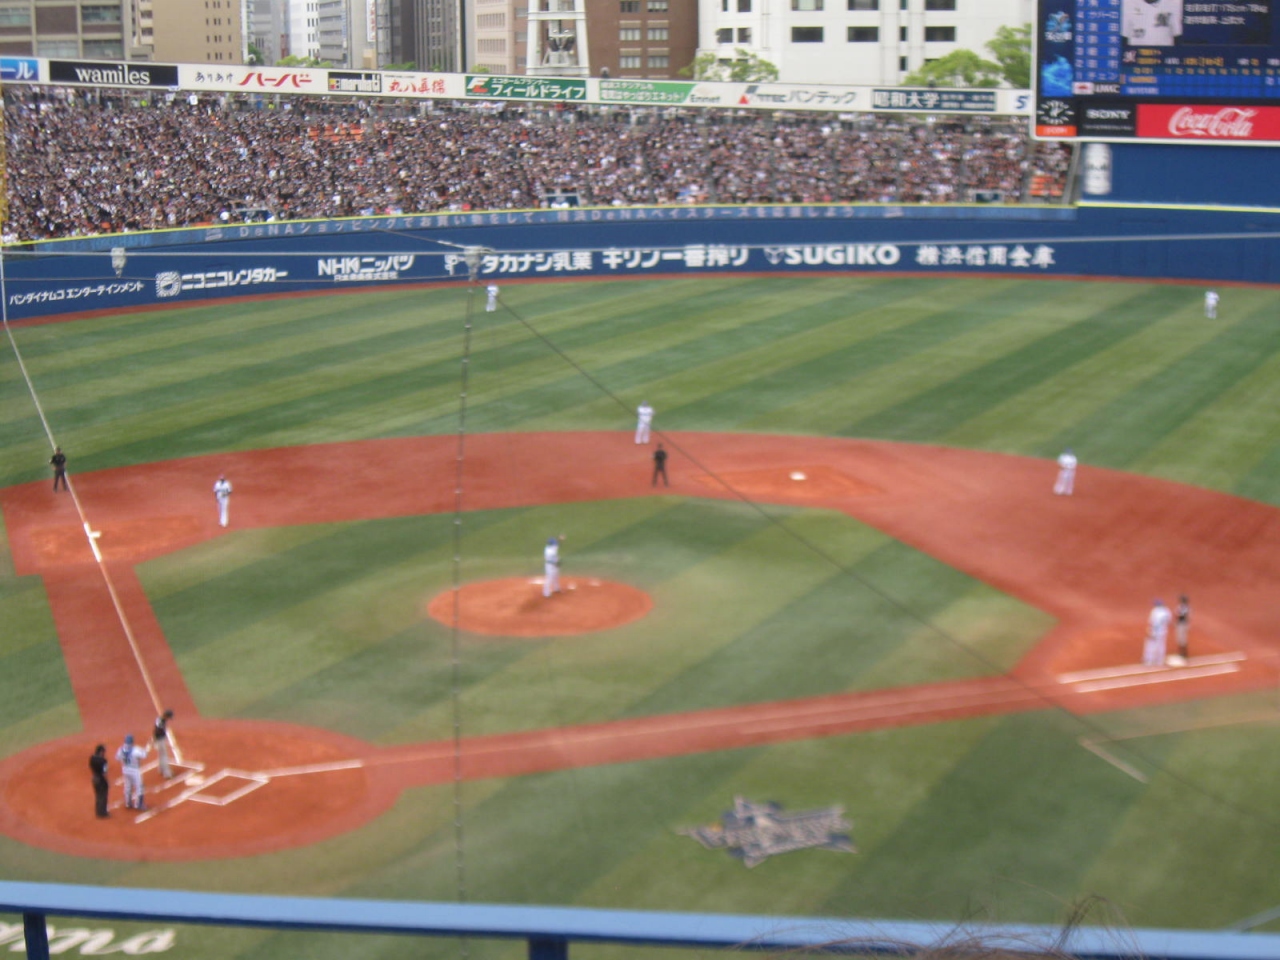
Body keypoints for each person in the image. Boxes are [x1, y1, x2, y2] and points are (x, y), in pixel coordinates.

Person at [116, 733, 149, 811]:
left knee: (127, 786)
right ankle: (138, 804)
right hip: (134, 770)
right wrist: (145, 750)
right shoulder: (136, 750)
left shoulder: (121, 749)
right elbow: (144, 755)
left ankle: (128, 803)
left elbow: (117, 758)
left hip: (125, 769)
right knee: (139, 787)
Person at [1143, 598, 1172, 666]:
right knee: (1161, 646)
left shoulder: (1155, 611)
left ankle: (1149, 661)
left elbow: (1154, 623)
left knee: (1151, 646)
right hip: (1163, 631)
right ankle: (1160, 661)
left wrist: (1152, 632)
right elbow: (1169, 622)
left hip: (1155, 631)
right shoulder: (1167, 611)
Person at [153, 709, 175, 779]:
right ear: (166, 715)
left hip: (159, 739)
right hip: (160, 740)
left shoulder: (160, 719)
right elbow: (157, 731)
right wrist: (157, 740)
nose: (169, 719)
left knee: (161, 755)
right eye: (169, 717)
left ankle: (161, 769)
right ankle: (167, 774)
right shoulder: (161, 722)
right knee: (164, 756)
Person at [89, 744, 109, 818]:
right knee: (103, 796)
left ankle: (98, 811)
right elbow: (104, 773)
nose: (104, 753)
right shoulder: (103, 761)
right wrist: (107, 781)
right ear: (101, 751)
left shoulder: (92, 758)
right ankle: (102, 813)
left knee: (98, 795)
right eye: (103, 751)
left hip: (94, 778)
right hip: (101, 780)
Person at [1174, 594, 1191, 660]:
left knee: (1182, 639)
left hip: (1183, 625)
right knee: (1180, 639)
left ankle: (1184, 653)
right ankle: (1181, 653)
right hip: (1180, 624)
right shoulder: (1181, 607)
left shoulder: (1185, 608)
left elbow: (1182, 616)